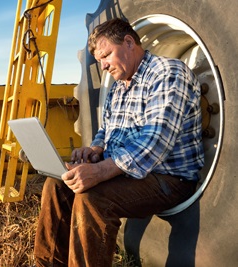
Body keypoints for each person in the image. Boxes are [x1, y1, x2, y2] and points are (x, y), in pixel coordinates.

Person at [33, 18, 204, 267]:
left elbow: (155, 142)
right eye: (100, 60)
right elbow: (107, 128)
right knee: (56, 185)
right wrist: (95, 149)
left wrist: (100, 171)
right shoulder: (118, 88)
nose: (103, 66)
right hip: (129, 174)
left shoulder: (167, 73)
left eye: (106, 55)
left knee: (92, 198)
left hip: (168, 178)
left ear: (128, 42)